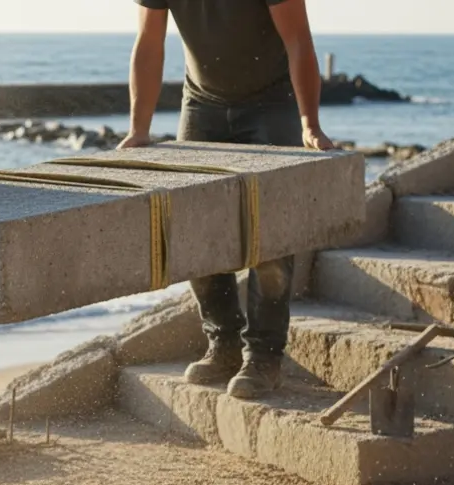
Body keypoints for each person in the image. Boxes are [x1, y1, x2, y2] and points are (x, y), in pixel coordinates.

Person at [121, 0, 336, 400]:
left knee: (270, 237)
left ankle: (264, 356)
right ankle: (223, 342)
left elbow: (298, 40)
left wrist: (309, 122)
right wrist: (139, 128)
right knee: (193, 231)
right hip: (202, 105)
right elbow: (149, 42)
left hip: (271, 105)